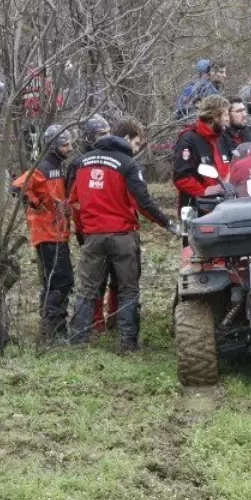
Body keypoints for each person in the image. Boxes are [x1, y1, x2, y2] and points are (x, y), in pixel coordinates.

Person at [68, 118, 178, 350]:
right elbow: (143, 201)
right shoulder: (127, 164)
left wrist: (82, 231)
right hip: (122, 235)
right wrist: (166, 223)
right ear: (125, 141)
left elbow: (73, 202)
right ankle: (127, 342)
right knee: (128, 289)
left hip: (93, 234)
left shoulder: (81, 163)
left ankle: (78, 340)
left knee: (87, 290)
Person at [11, 124, 75, 342]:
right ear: (54, 146)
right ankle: (53, 330)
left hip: (57, 232)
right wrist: (37, 204)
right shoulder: (42, 168)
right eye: (65, 144)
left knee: (57, 281)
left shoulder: (58, 167)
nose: (70, 148)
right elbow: (17, 187)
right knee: (61, 280)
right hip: (47, 234)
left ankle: (51, 328)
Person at [70, 114, 117, 332]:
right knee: (94, 279)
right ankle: (95, 322)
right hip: (89, 229)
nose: (106, 138)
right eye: (101, 134)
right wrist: (82, 231)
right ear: (89, 137)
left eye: (108, 133)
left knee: (117, 275)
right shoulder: (78, 163)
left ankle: (113, 320)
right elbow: (74, 202)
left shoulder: (116, 158)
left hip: (115, 226)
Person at [219, 97, 250, 165]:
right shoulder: (219, 138)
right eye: (239, 111)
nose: (244, 114)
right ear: (227, 114)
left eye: (244, 110)